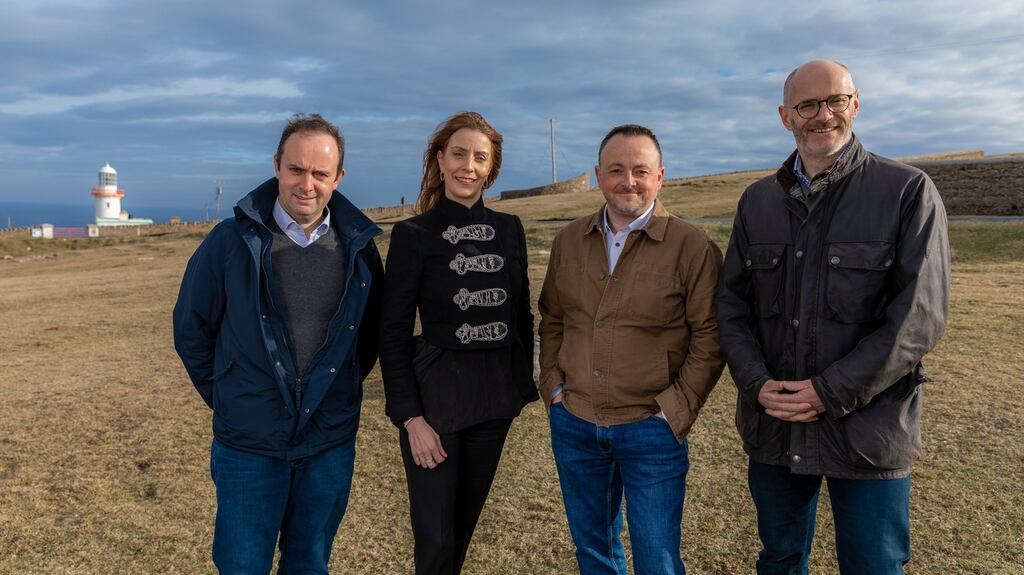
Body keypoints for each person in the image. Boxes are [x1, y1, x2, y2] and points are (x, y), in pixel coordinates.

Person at [716, 60, 951, 574]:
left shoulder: (907, 191)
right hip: (774, 426)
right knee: (779, 559)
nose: (823, 115)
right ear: (786, 116)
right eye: (807, 106)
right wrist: (756, 383)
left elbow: (920, 316)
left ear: (855, 103)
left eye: (835, 101)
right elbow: (731, 307)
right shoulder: (758, 201)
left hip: (869, 427)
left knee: (873, 564)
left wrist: (829, 390)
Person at [172, 113, 384, 574]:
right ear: (276, 166)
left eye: (320, 173)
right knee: (242, 565)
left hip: (327, 444)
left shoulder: (360, 250)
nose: (306, 184)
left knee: (309, 563)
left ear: (338, 178)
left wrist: (334, 395)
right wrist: (230, 395)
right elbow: (192, 328)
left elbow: (363, 343)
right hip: (249, 446)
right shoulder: (231, 241)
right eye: (296, 169)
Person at [537, 124, 724, 574]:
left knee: (657, 559)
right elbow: (553, 320)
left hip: (650, 429)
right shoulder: (568, 242)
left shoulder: (692, 246)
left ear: (660, 177)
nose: (629, 181)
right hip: (575, 422)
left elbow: (711, 337)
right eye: (616, 170)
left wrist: (674, 409)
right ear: (599, 176)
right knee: (593, 552)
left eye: (641, 170)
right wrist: (554, 389)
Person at [378, 111, 538, 574]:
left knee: (462, 533)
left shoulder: (510, 229)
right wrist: (410, 417)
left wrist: (519, 386)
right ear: (440, 160)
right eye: (459, 154)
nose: (469, 165)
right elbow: (392, 332)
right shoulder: (413, 234)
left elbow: (521, 314)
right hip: (435, 407)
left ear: (492, 167)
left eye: (480, 157)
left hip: (494, 403)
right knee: (435, 540)